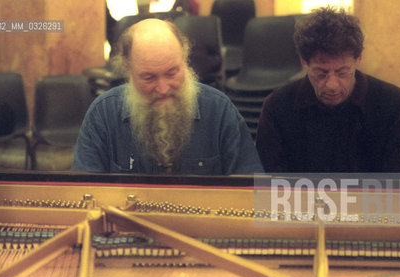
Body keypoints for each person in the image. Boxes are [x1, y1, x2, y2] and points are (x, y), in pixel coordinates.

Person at [72, 19, 263, 175]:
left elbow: (252, 192)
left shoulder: (219, 111)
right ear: (127, 70)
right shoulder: (103, 115)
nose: (163, 89)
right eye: (149, 77)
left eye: (172, 73)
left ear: (184, 59)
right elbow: (85, 197)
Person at [256, 7, 400, 173]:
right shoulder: (278, 108)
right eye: (321, 74)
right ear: (304, 62)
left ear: (359, 59)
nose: (332, 85)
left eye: (342, 73)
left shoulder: (394, 106)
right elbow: (269, 188)